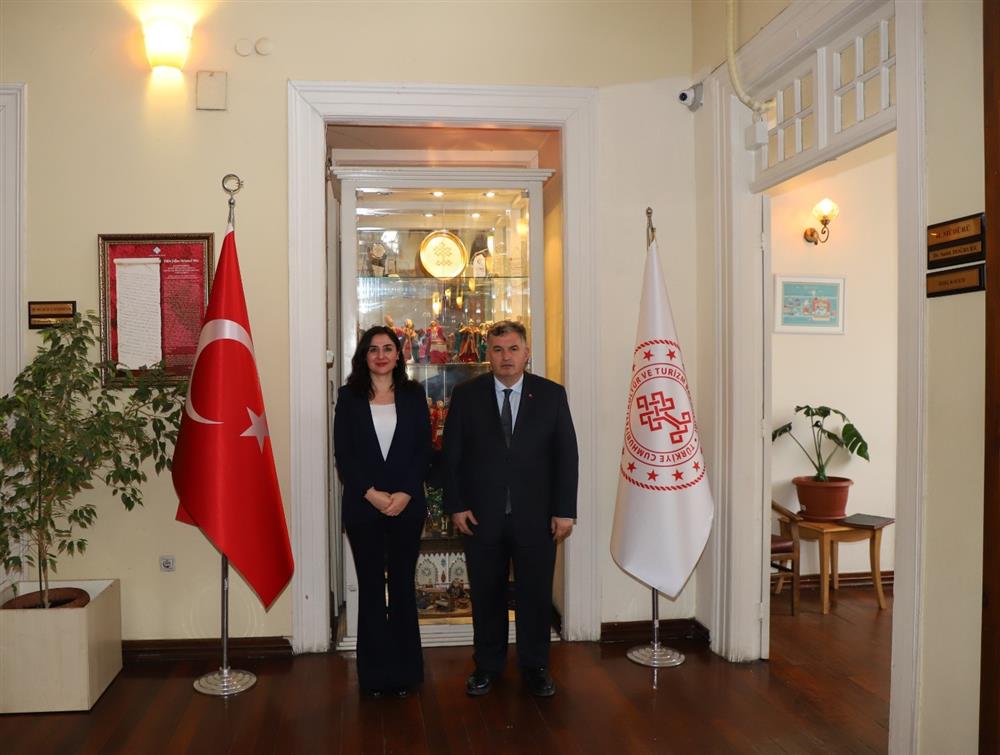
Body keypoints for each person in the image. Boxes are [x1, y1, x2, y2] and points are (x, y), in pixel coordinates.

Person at [443, 320, 578, 698]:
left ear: (526, 353)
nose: (506, 357)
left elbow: (566, 456)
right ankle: (487, 666)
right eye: (498, 349)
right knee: (487, 595)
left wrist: (564, 510)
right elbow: (451, 456)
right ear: (488, 353)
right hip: (480, 517)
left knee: (535, 595)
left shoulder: (551, 395)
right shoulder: (466, 395)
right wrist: (456, 505)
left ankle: (535, 667)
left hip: (537, 517)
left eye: (513, 349)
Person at [334, 325, 432, 698]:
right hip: (364, 507)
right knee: (372, 588)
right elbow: (344, 453)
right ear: (364, 355)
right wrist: (371, 494)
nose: (380, 355)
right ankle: (374, 677)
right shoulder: (349, 397)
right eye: (373, 349)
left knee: (403, 587)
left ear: (397, 354)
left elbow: (423, 449)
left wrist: (405, 492)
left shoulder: (413, 394)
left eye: (387, 348)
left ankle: (406, 673)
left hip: (407, 506)